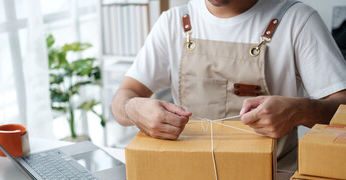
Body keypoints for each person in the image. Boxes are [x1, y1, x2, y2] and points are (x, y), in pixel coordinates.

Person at [111, 0, 346, 170]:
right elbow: (123, 97)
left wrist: (299, 111)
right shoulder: (173, 22)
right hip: (184, 177)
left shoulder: (297, 20)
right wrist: (133, 108)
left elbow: (342, 107)